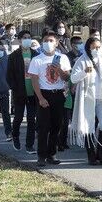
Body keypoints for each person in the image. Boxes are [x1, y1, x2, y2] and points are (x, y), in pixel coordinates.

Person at [70, 37, 102, 165]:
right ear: (88, 48)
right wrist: (84, 72)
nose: (96, 50)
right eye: (93, 47)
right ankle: (91, 155)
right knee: (88, 127)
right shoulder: (82, 60)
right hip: (88, 99)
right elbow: (73, 78)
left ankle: (100, 153)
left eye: (98, 47)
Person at [28, 30, 71, 166]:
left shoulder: (62, 58)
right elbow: (34, 80)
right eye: (46, 40)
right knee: (43, 126)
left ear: (57, 43)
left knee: (57, 125)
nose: (48, 43)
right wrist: (40, 98)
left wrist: (58, 69)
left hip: (58, 94)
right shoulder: (37, 60)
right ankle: (41, 155)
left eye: (51, 40)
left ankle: (52, 154)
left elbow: (67, 77)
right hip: (44, 94)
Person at [7, 30, 38, 153]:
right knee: (18, 117)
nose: (27, 40)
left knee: (31, 119)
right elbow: (9, 75)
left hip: (33, 92)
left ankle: (29, 144)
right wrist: (14, 88)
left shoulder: (36, 54)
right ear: (19, 40)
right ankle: (15, 136)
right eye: (24, 38)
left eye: (29, 37)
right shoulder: (14, 56)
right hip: (19, 92)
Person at [58, 36, 84, 151]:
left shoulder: (83, 56)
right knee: (65, 118)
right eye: (77, 43)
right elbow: (68, 74)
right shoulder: (67, 57)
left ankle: (75, 136)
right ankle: (61, 141)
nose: (79, 45)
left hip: (80, 87)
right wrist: (71, 85)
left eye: (81, 43)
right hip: (68, 89)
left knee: (76, 115)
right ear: (72, 44)